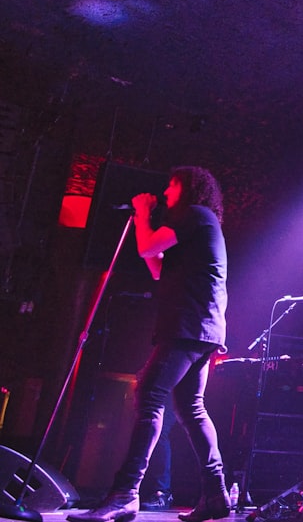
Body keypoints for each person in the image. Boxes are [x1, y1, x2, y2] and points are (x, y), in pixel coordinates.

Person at [69, 167, 231, 522]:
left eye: (171, 186)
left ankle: (126, 493)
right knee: (191, 408)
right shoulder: (196, 226)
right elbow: (156, 264)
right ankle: (216, 495)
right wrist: (147, 223)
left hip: (188, 326)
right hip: (202, 328)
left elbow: (146, 244)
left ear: (187, 189)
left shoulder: (195, 215)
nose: (165, 192)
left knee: (149, 397)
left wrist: (143, 214)